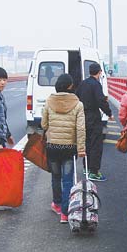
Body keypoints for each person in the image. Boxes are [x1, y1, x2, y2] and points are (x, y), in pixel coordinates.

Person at [41, 74, 86, 224]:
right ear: (70, 87)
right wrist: (81, 149)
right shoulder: (78, 104)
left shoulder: (48, 102)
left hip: (52, 147)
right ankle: (65, 214)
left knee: (55, 176)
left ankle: (57, 204)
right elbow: (80, 129)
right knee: (68, 180)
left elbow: (44, 125)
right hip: (68, 148)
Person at [75, 62, 113, 181]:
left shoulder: (83, 84)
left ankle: (86, 167)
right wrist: (109, 113)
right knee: (96, 145)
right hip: (94, 117)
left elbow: (77, 98)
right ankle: (94, 172)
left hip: (83, 117)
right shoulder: (96, 84)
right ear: (99, 72)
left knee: (86, 144)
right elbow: (101, 101)